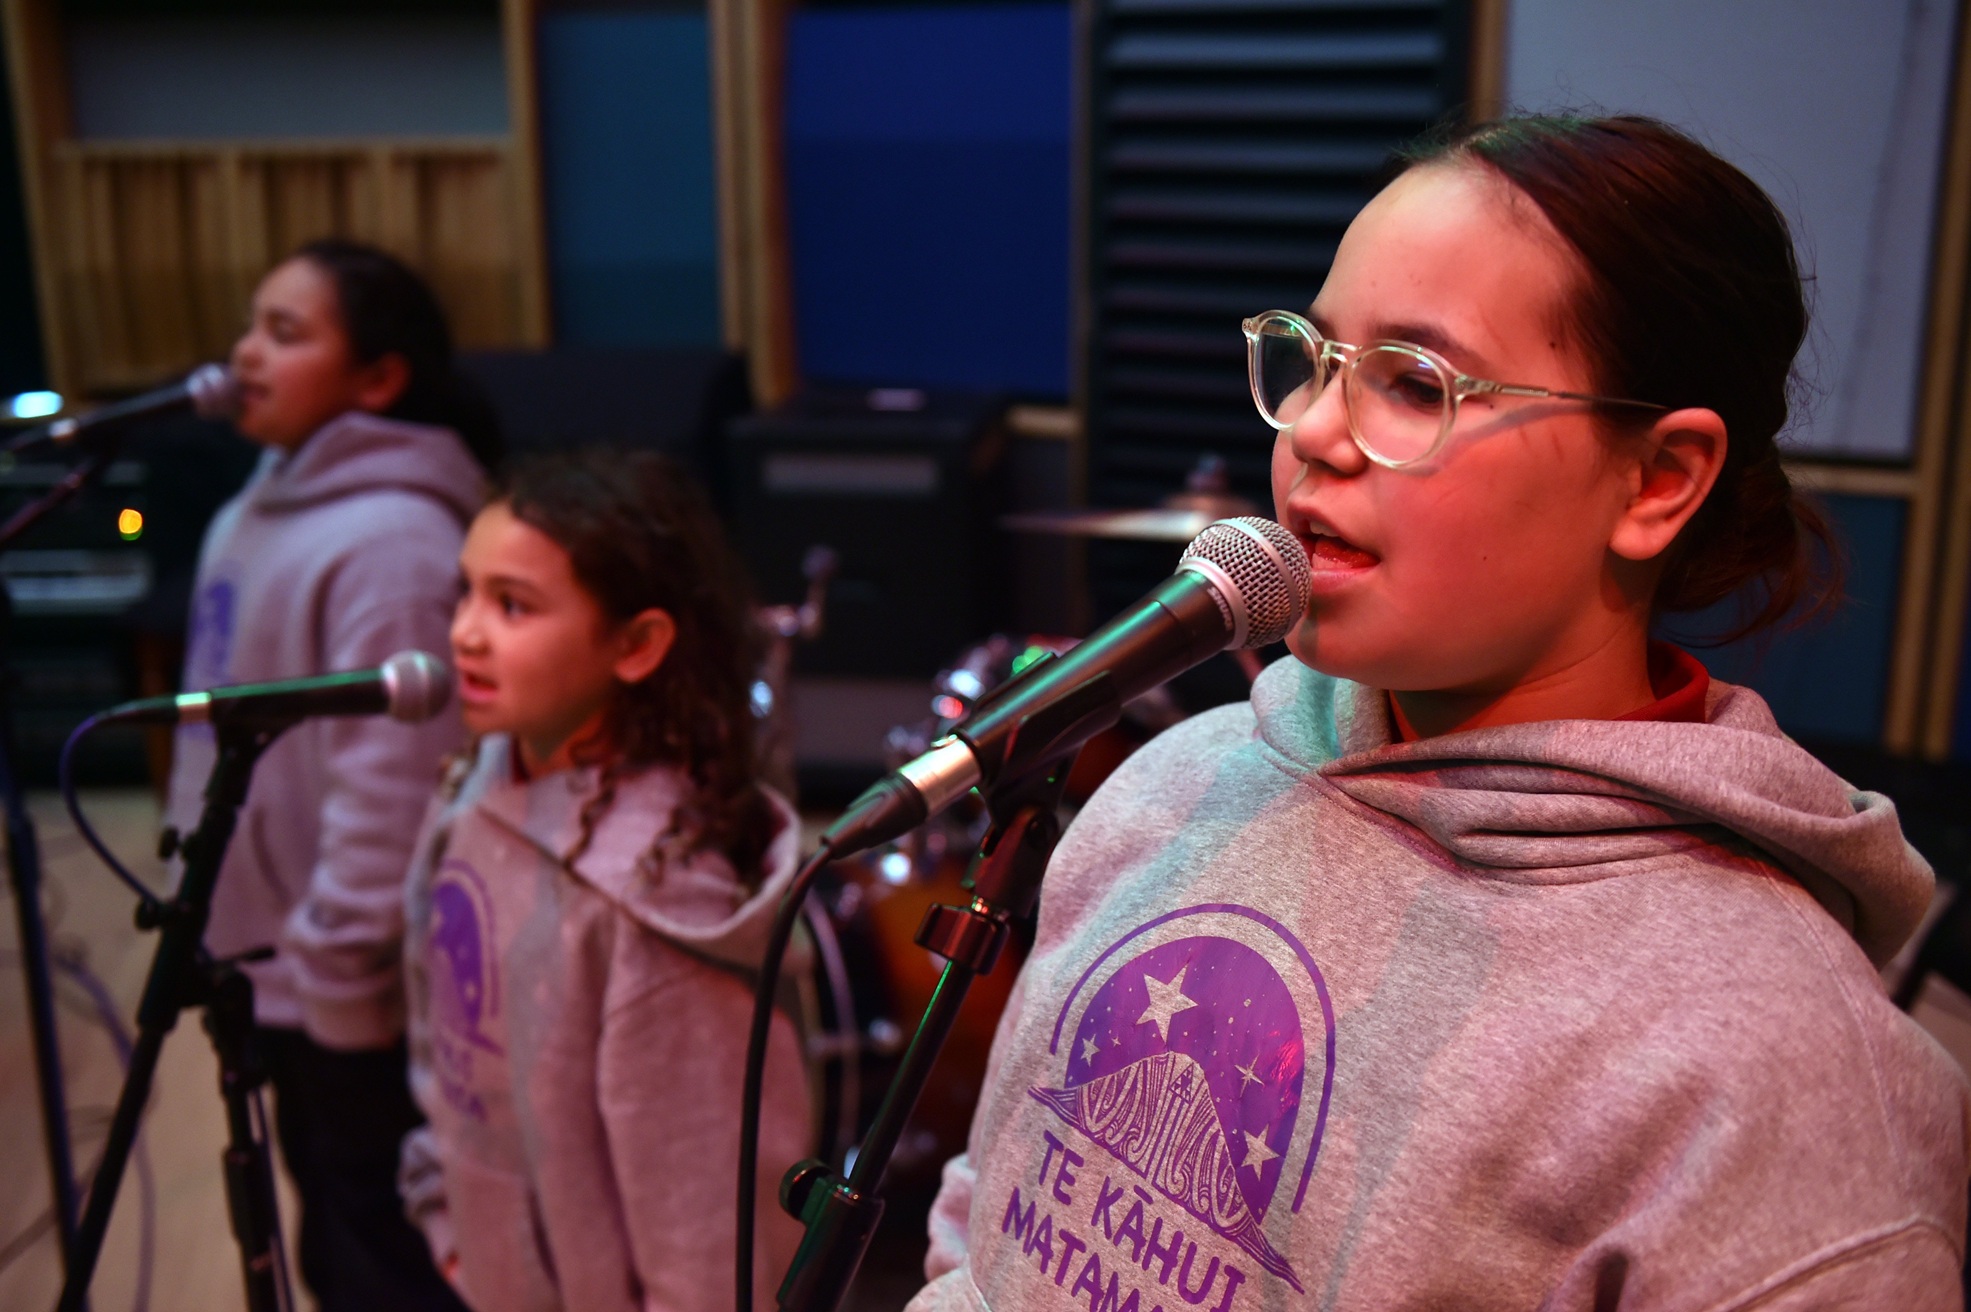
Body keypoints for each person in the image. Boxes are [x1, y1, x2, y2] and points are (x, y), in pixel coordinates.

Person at [908, 115, 1971, 1309]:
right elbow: (988, 1223)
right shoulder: (1180, 782)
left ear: (1657, 481)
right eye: (1312, 359)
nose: (1310, 431)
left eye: (1415, 384)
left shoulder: (1785, 1085)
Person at [396, 449, 811, 1312]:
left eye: (512, 605)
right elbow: (442, 1036)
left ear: (636, 645)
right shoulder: (480, 790)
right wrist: (449, 1229)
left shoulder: (658, 915)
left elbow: (709, 1246)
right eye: (465, 591)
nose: (464, 632)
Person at [165, 238, 498, 1311]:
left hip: (340, 988)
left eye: (286, 332)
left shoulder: (393, 540)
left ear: (379, 377)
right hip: (267, 963)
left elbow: (393, 795)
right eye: (251, 324)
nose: (245, 353)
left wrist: (337, 974)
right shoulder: (257, 503)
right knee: (323, 1234)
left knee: (376, 1255)